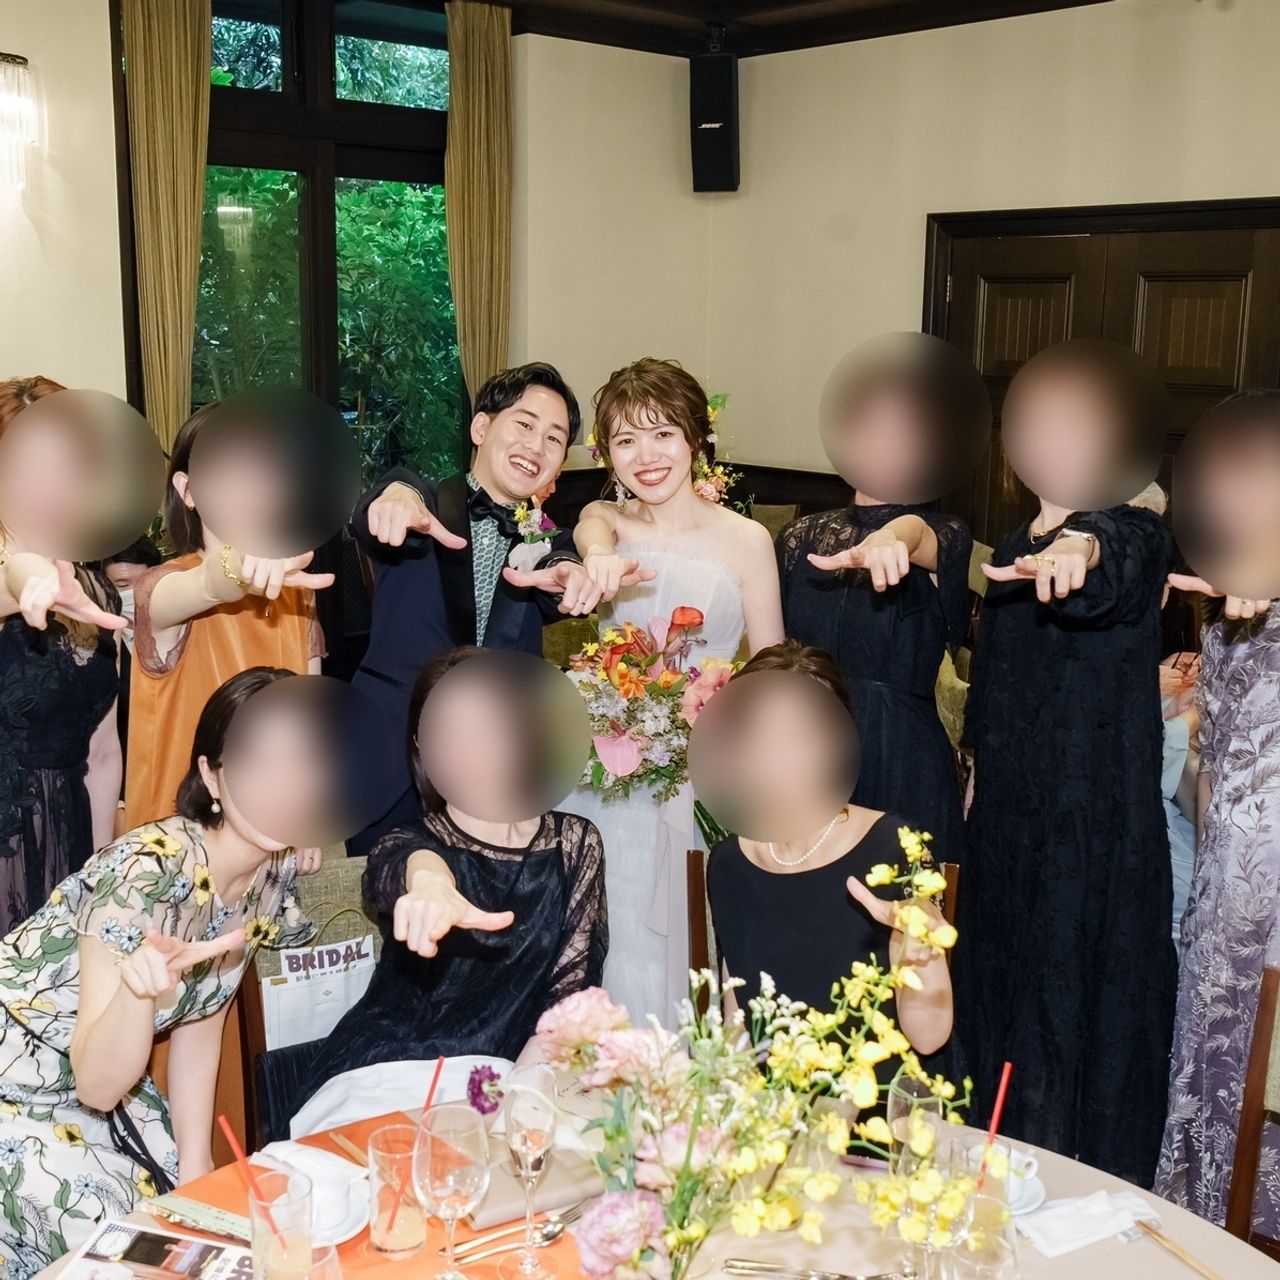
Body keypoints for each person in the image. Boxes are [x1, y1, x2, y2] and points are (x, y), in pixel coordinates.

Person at [0, 667, 313, 1269]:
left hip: (104, 1085)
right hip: (20, 1077)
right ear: (212, 776)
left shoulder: (269, 873)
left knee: (203, 1214)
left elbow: (204, 1017)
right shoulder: (142, 874)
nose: (285, 787)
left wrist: (197, 1163)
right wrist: (138, 995)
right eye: (260, 763)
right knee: (132, 1242)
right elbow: (96, 1083)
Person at [953, 349, 1176, 1188]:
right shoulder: (1016, 540)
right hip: (1007, 818)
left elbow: (1104, 565)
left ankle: (1081, 1193)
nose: (1051, 443)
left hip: (1091, 828)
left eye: (1075, 428)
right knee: (1000, 995)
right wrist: (975, 778)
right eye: (1037, 426)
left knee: (1072, 1002)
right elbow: (995, 685)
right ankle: (996, 1174)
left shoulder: (1135, 530)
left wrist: (1079, 551)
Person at [565, 357, 785, 1028]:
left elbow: (772, 665)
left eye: (663, 434)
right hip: (604, 770)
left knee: (684, 941)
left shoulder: (747, 540)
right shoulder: (609, 521)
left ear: (696, 437)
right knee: (597, 926)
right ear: (606, 453)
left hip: (698, 775)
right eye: (626, 439)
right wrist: (598, 558)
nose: (647, 456)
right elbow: (591, 529)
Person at [297, 647, 606, 1106]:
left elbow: (569, 993)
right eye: (447, 733)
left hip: (510, 1076)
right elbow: (398, 865)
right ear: (422, 747)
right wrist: (431, 881)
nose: (470, 751)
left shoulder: (575, 843)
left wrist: (516, 1098)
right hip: (391, 1073)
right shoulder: (410, 840)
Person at [348, 363, 622, 855]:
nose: (536, 446)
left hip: (493, 771)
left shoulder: (552, 543)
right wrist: (392, 500)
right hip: (392, 754)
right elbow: (379, 510)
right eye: (524, 424)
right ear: (480, 427)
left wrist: (569, 571)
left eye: (554, 439)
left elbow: (559, 566)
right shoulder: (421, 504)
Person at [776, 345, 982, 862]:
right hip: (810, 751)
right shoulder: (801, 537)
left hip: (902, 758)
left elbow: (916, 535)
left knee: (907, 904)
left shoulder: (946, 534)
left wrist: (892, 538)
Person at [706, 641, 953, 1057]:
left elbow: (930, 1038)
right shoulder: (728, 863)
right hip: (773, 1096)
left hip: (871, 1093)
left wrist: (920, 946)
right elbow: (738, 1025)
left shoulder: (893, 847)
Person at [123, 404, 329, 836]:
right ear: (187, 489)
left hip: (269, 829)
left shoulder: (296, 591)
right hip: (180, 843)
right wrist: (236, 571)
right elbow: (206, 584)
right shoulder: (160, 587)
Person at [0, 376, 126, 933]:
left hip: (69, 849)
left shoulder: (95, 594)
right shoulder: (20, 579)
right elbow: (14, 579)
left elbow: (103, 754)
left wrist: (97, 876)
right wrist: (27, 577)